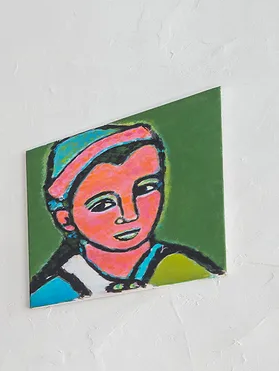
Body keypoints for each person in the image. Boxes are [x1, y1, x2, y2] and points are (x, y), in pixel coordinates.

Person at [30, 123, 222, 308]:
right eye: (103, 204)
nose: (130, 215)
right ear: (66, 219)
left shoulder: (185, 269)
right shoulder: (55, 290)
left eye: (145, 188)